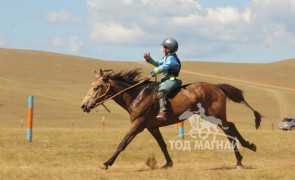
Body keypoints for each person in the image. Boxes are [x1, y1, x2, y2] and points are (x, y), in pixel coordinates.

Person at [144, 37, 182, 121]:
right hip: (166, 80)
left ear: (168, 49)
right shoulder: (166, 57)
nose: (162, 49)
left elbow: (165, 66)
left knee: (161, 92)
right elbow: (158, 63)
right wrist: (149, 59)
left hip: (172, 80)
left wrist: (155, 71)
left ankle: (162, 112)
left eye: (164, 47)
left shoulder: (171, 59)